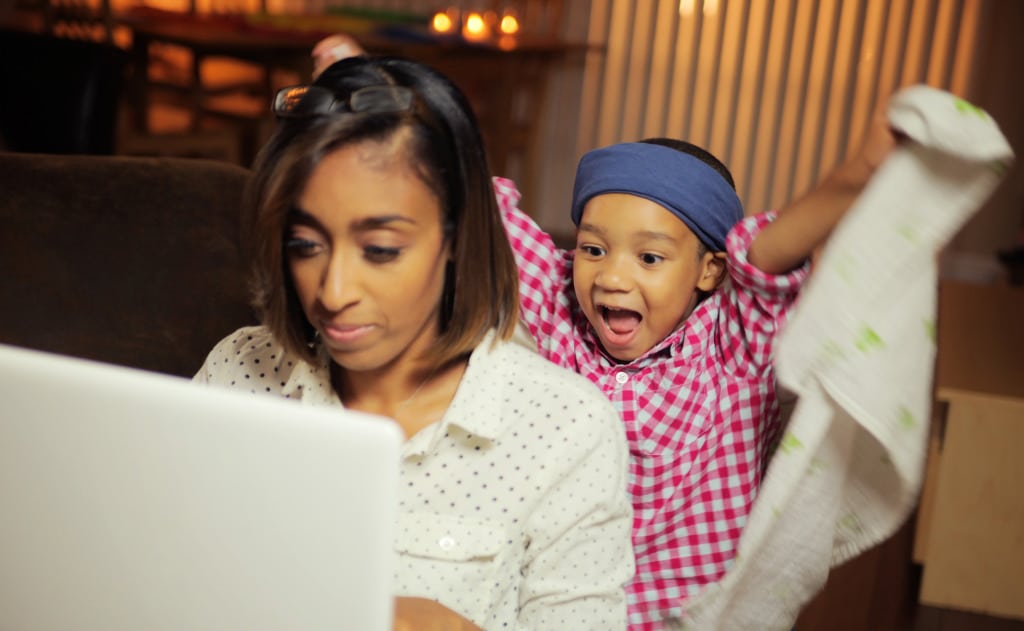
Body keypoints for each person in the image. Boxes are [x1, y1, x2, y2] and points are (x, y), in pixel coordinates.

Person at [310, 36, 896, 629]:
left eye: (650, 258)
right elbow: (475, 201)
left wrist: (856, 176)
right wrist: (373, 100)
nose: (611, 275)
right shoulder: (563, 304)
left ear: (709, 271)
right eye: (593, 247)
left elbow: (767, 258)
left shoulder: (729, 346)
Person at [193, 55, 635, 630]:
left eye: (380, 250)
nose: (333, 291)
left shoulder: (566, 429)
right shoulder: (238, 373)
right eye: (305, 245)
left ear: (457, 236)